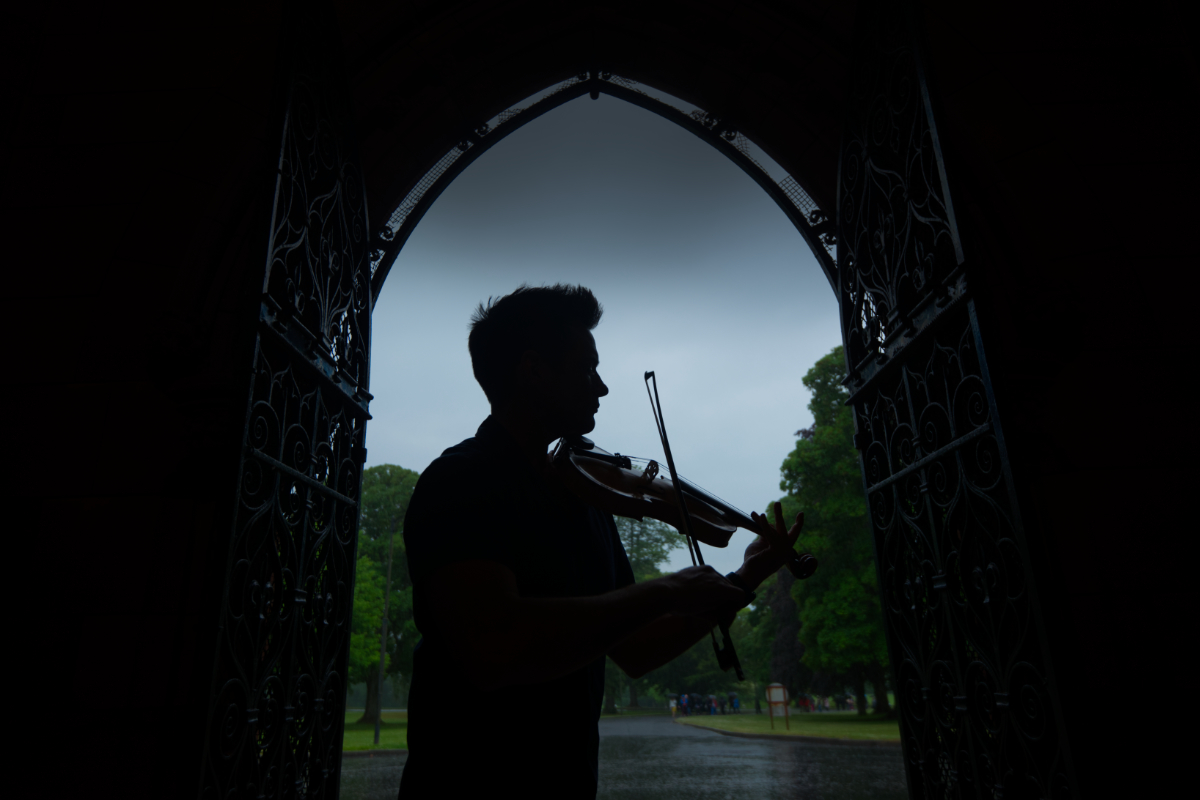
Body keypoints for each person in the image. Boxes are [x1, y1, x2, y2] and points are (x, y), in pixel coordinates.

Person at [396, 285, 803, 800]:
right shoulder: (460, 481)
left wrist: (746, 577)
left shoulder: (584, 498)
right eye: (588, 369)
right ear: (533, 370)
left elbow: (635, 648)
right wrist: (667, 591)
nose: (603, 387)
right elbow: (494, 648)